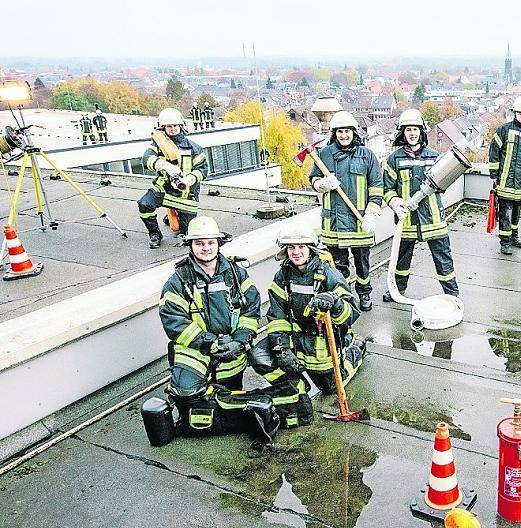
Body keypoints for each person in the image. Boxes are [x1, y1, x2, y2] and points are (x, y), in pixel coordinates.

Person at [260, 223, 367, 397]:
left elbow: (352, 313)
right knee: (259, 356)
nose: (296, 252)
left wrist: (335, 302)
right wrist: (282, 349)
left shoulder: (328, 273)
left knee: (329, 388)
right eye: (291, 247)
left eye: (301, 246)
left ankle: (355, 349)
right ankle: (298, 388)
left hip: (322, 338)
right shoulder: (283, 276)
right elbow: (277, 316)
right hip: (296, 336)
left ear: (310, 249)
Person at [159, 216, 261, 394]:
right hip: (195, 353)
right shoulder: (179, 281)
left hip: (232, 350)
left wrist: (240, 340)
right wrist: (210, 343)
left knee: (232, 401)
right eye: (199, 243)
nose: (206, 248)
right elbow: (173, 321)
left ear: (219, 243)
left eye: (210, 243)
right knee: (187, 395)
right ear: (190, 245)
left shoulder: (236, 274)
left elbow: (251, 310)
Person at [309, 110, 383, 311]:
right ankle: (344, 298)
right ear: (334, 133)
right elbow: (313, 180)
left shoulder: (367, 155)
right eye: (340, 131)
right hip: (333, 224)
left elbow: (377, 187)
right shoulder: (324, 154)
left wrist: (371, 214)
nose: (344, 135)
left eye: (347, 131)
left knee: (362, 264)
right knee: (338, 266)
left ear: (354, 132)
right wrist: (322, 184)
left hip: (359, 222)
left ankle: (364, 293)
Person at [382, 109, 459, 300]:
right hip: (407, 220)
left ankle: (452, 294)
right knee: (402, 259)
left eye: (416, 129)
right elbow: (386, 188)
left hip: (433, 219)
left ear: (421, 132)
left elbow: (444, 184)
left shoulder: (434, 156)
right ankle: (397, 290)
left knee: (443, 259)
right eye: (408, 129)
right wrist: (395, 202)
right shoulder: (394, 159)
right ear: (403, 133)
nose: (412, 133)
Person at [138, 107, 207, 248]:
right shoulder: (158, 146)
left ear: (181, 126)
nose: (173, 129)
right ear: (163, 127)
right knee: (144, 204)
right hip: (163, 189)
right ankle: (155, 233)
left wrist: (189, 180)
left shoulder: (194, 148)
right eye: (169, 126)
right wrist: (163, 165)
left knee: (186, 233)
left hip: (186, 194)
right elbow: (146, 159)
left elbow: (202, 170)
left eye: (175, 125)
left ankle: (174, 217)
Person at [488, 95, 521, 255]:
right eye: (519, 112)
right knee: (505, 212)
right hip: (505, 180)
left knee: (516, 211)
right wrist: (494, 174)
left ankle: (514, 237)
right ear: (514, 112)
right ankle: (505, 242)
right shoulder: (504, 130)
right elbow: (494, 152)